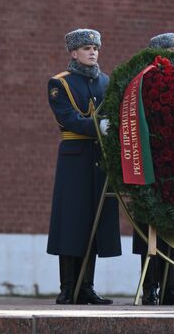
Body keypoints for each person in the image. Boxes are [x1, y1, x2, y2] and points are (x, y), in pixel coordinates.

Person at [47, 28, 121, 305]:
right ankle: (68, 287)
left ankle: (86, 286)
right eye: (87, 48)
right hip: (74, 158)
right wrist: (99, 126)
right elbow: (69, 119)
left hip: (100, 159)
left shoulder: (106, 82)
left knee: (94, 222)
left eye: (95, 48)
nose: (93, 52)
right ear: (73, 52)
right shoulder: (59, 83)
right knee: (71, 222)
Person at [131, 32, 174, 306]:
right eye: (172, 50)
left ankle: (172, 288)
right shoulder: (141, 82)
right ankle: (150, 289)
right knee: (149, 230)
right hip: (149, 164)